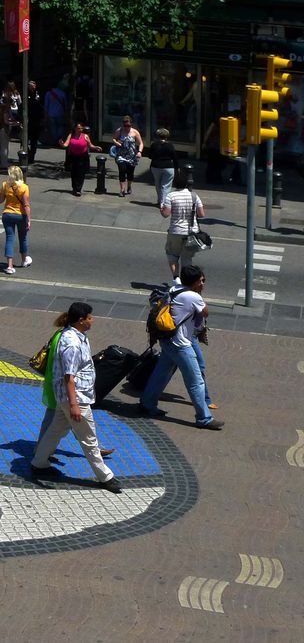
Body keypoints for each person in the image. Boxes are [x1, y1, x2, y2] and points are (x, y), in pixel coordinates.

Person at [29, 302, 122, 493]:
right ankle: (105, 476)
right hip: (76, 397)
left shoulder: (76, 336)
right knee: (89, 438)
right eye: (90, 317)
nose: (92, 320)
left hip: (72, 397)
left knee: (56, 430)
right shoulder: (71, 342)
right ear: (81, 320)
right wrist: (74, 405)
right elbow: (69, 377)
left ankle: (38, 463)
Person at [138, 266, 223, 430]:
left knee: (161, 374)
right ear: (195, 282)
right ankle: (204, 418)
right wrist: (199, 295)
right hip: (181, 344)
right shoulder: (192, 296)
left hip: (167, 339)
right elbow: (205, 312)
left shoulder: (174, 289)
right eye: (201, 280)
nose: (203, 283)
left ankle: (147, 404)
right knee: (195, 381)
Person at [161, 170, 205, 282]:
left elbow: (166, 214)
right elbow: (201, 214)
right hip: (191, 232)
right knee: (187, 258)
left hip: (175, 231)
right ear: (187, 183)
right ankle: (187, 281)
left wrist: (161, 209)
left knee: (172, 255)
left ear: (174, 184)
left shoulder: (171, 196)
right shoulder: (194, 196)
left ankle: (176, 279)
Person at [0, 165, 32, 275]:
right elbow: (26, 205)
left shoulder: (5, 185)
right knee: (23, 238)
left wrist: (3, 191)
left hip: (7, 214)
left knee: (9, 239)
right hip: (20, 215)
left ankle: (9, 266)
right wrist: (29, 219)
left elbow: (0, 200)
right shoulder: (24, 187)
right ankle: (24, 260)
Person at [60, 122, 102, 197]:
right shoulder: (71, 135)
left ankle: (78, 189)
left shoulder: (85, 136)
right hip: (73, 156)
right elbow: (66, 144)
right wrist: (62, 144)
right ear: (75, 129)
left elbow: (90, 145)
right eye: (78, 128)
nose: (80, 130)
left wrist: (96, 147)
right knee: (74, 173)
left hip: (83, 156)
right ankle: (74, 188)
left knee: (81, 173)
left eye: (81, 128)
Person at [112, 115, 144, 196]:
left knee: (130, 173)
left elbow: (141, 143)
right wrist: (116, 143)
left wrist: (139, 152)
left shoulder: (135, 132)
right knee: (122, 171)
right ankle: (122, 189)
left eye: (128, 125)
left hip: (132, 156)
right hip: (121, 155)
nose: (127, 127)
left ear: (131, 124)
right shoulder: (119, 130)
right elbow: (114, 138)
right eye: (125, 125)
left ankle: (129, 186)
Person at [148, 127, 177, 206]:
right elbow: (174, 157)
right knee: (166, 185)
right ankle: (163, 202)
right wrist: (177, 167)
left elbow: (150, 156)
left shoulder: (154, 145)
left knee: (158, 184)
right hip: (168, 167)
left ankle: (160, 199)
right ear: (167, 136)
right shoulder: (170, 145)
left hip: (156, 166)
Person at [26, 80, 44, 163]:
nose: (32, 88)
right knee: (25, 140)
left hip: (37, 121)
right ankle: (27, 153)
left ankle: (32, 156)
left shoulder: (38, 94)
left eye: (33, 86)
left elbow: (41, 106)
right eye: (30, 86)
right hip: (28, 120)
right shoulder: (26, 94)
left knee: (34, 141)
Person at [0, 102, 15, 171]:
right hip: (4, 129)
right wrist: (14, 123)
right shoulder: (5, 111)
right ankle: (4, 163)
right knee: (4, 147)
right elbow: (6, 121)